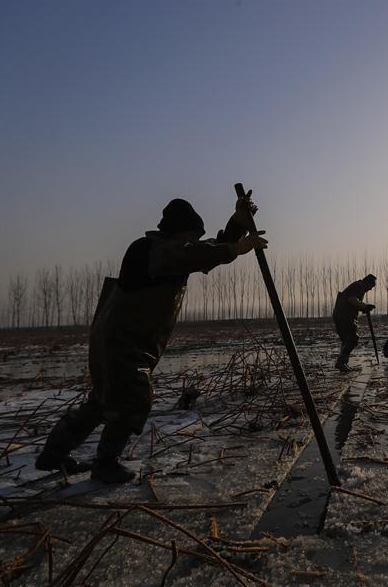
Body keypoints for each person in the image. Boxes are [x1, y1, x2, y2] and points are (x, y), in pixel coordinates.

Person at [35, 193, 268, 484]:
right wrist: (235, 247)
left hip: (123, 343)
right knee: (133, 399)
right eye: (193, 236)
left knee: (101, 402)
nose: (196, 241)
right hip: (121, 344)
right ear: (179, 232)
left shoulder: (174, 253)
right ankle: (105, 464)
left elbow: (207, 250)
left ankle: (53, 455)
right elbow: (195, 254)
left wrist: (236, 224)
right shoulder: (149, 249)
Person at [332, 274, 376, 372]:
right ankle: (341, 363)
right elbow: (351, 300)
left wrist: (363, 308)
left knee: (346, 340)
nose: (370, 289)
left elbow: (353, 302)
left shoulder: (359, 286)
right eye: (371, 286)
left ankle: (342, 364)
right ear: (367, 283)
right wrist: (364, 307)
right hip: (344, 316)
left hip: (341, 315)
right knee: (352, 339)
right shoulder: (359, 286)